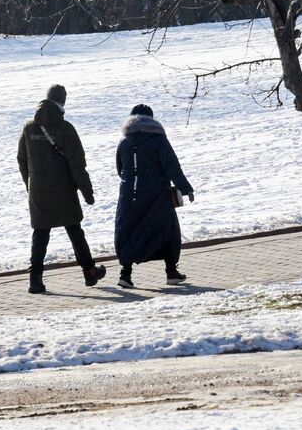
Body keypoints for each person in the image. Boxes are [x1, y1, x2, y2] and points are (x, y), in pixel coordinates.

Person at [17, 84, 107, 294]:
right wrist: (87, 191)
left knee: (40, 233)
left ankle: (35, 280)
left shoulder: (29, 127)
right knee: (74, 230)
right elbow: (77, 164)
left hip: (38, 191)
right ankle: (89, 271)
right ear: (62, 103)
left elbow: (21, 159)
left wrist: (30, 185)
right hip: (63, 190)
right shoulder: (65, 128)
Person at [114, 104, 195, 288]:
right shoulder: (158, 140)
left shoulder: (124, 141)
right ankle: (171, 272)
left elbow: (120, 169)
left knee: (129, 232)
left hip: (129, 196)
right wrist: (184, 187)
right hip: (156, 195)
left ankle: (125, 275)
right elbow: (171, 165)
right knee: (167, 231)